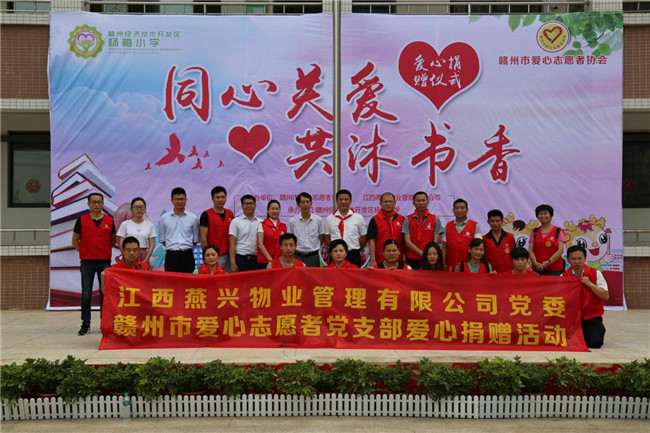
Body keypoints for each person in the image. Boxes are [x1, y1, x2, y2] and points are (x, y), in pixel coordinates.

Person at [71, 193, 116, 336]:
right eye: (94, 202)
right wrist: (84, 252)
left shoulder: (109, 220)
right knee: (86, 294)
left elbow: (112, 240)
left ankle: (105, 323)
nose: (97, 205)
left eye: (99, 202)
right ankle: (85, 324)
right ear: (88, 204)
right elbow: (75, 240)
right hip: (87, 262)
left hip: (104, 262)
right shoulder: (81, 220)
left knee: (105, 294)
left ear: (103, 204)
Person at [562, 245, 609, 348]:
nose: (577, 262)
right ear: (568, 259)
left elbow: (605, 296)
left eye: (580, 258)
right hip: (571, 317)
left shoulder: (596, 273)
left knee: (595, 342)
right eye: (573, 259)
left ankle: (590, 332)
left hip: (591, 315)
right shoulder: (563, 276)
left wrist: (589, 284)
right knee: (562, 340)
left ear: (585, 259)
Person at [158, 187, 200, 273]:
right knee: (171, 280)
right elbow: (162, 238)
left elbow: (195, 239)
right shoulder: (164, 218)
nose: (179, 201)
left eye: (182, 199)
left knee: (188, 279)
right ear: (172, 200)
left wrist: (186, 247)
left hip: (187, 255)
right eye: (177, 199)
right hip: (171, 256)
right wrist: (172, 247)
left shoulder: (193, 218)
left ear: (186, 200)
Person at [324, 189, 367, 267]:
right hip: (336, 255)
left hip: (353, 254)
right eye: (340, 200)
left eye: (346, 199)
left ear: (350, 201)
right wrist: (334, 248)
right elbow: (326, 236)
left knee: (354, 274)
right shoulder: (329, 218)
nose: (343, 202)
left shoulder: (358, 218)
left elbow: (364, 236)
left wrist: (359, 248)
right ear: (336, 201)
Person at [403, 191, 444, 270]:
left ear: (428, 202)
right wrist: (422, 253)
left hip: (430, 259)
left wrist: (428, 254)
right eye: (418, 201)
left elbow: (435, 241)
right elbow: (407, 241)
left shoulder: (435, 219)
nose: (421, 203)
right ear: (413, 203)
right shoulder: (407, 219)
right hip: (412, 257)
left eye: (423, 200)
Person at [199, 186, 234, 273]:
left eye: (222, 197)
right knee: (215, 279)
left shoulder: (230, 213)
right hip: (215, 256)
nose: (220, 200)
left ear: (226, 198)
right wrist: (207, 256)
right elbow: (203, 238)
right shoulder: (206, 215)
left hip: (230, 255)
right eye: (217, 197)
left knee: (229, 279)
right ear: (212, 199)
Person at [287, 192, 325, 267]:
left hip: (314, 256)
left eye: (307, 202)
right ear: (298, 205)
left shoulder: (318, 220)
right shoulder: (292, 221)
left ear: (311, 203)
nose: (305, 204)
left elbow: (321, 237)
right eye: (303, 202)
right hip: (297, 256)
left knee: (314, 274)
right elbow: (290, 239)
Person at [367, 192, 405, 268]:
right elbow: (371, 241)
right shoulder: (374, 220)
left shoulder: (402, 219)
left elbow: (406, 241)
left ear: (395, 203)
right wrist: (373, 260)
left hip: (398, 259)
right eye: (385, 202)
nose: (388, 204)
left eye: (390, 201)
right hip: (380, 260)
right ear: (380, 204)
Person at [442, 198, 481, 271]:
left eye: (462, 208)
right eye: (457, 208)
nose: (459, 210)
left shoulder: (475, 225)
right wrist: (443, 265)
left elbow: (479, 247)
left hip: (468, 267)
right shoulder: (448, 225)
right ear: (453, 210)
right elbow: (444, 247)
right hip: (450, 266)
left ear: (467, 210)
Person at [116, 197, 156, 264]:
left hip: (143, 256)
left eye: (141, 207)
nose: (139, 209)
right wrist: (125, 255)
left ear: (145, 209)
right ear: (132, 209)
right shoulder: (125, 224)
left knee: (143, 271)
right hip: (128, 255)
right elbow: (121, 243)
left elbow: (151, 245)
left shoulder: (150, 225)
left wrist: (146, 259)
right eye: (136, 207)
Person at [529, 204, 566, 276]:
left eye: (546, 213)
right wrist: (535, 263)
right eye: (540, 214)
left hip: (555, 269)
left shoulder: (558, 231)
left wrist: (549, 262)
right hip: (538, 268)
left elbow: (560, 250)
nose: (543, 216)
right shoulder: (534, 232)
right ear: (537, 217)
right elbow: (531, 250)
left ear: (551, 216)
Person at [228, 195, 262, 272]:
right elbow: (232, 244)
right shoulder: (235, 222)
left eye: (251, 203)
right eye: (246, 204)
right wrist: (233, 263)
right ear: (242, 206)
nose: (249, 206)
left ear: (255, 205)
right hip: (241, 259)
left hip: (257, 260)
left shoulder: (261, 222)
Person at [482, 209, 516, 273]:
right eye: (492, 221)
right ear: (488, 222)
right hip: (491, 274)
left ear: (502, 221)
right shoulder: (484, 239)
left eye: (498, 221)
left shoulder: (510, 237)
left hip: (509, 273)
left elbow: (515, 256)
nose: (495, 224)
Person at [257, 200, 287, 267]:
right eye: (272, 209)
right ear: (268, 210)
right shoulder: (262, 225)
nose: (275, 211)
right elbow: (260, 244)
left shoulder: (283, 226)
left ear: (280, 210)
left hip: (280, 261)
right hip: (266, 261)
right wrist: (270, 259)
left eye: (277, 209)